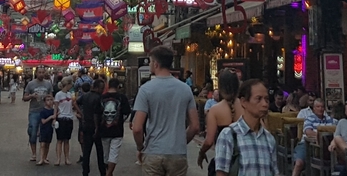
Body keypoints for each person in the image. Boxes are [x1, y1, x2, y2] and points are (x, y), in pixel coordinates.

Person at [131, 46, 199, 176]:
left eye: (150, 62)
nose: (150, 64)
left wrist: (140, 148)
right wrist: (180, 142)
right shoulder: (185, 89)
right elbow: (195, 126)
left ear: (156, 64)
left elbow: (137, 128)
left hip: (153, 152)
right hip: (177, 153)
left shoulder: (146, 89)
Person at [212, 79, 277, 176]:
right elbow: (221, 173)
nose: (265, 104)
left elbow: (274, 172)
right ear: (244, 102)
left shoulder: (269, 139)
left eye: (266, 99)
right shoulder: (229, 136)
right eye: (258, 99)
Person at [199, 69, 245, 171]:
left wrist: (201, 153)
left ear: (220, 87)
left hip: (223, 160)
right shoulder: (246, 107)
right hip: (246, 159)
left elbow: (209, 141)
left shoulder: (214, 110)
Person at [292, 98, 336, 176]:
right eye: (318, 107)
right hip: (306, 144)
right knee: (299, 164)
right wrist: (322, 136)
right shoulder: (309, 119)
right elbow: (308, 132)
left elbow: (338, 128)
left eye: (322, 107)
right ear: (314, 108)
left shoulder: (330, 119)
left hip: (326, 146)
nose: (320, 109)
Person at [98, 78, 130, 176]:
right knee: (113, 154)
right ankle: (109, 173)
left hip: (103, 130)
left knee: (106, 155)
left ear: (108, 85)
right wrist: (120, 120)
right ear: (118, 86)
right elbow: (126, 113)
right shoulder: (122, 98)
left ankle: (108, 173)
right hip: (117, 130)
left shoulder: (102, 97)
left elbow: (97, 113)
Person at [25, 72, 55, 163]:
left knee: (46, 133)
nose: (41, 74)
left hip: (46, 110)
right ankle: (34, 154)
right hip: (34, 111)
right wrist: (31, 96)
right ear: (36, 73)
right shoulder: (31, 84)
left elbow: (51, 96)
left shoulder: (48, 83)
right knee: (33, 131)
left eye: (43, 71)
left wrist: (50, 101)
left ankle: (44, 156)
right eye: (40, 71)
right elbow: (24, 97)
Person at [77, 81, 105, 176]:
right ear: (97, 88)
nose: (102, 90)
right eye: (102, 88)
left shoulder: (85, 96)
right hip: (96, 127)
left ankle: (85, 171)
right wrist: (97, 127)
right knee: (100, 152)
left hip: (86, 125)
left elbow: (76, 102)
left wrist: (81, 114)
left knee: (86, 151)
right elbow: (96, 114)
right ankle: (102, 171)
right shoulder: (99, 98)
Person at [55, 77, 76, 165]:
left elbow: (73, 105)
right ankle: (58, 159)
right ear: (67, 84)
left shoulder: (70, 94)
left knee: (67, 140)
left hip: (69, 118)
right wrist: (54, 118)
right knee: (60, 140)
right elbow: (55, 107)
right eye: (70, 84)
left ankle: (67, 158)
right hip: (61, 118)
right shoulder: (58, 95)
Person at [38, 95, 58, 165]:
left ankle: (45, 157)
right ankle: (41, 158)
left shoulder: (53, 111)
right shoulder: (43, 111)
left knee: (47, 144)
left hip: (50, 129)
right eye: (47, 100)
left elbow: (55, 116)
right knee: (42, 144)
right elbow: (43, 121)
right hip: (43, 129)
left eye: (51, 100)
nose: (49, 101)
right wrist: (51, 117)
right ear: (45, 102)